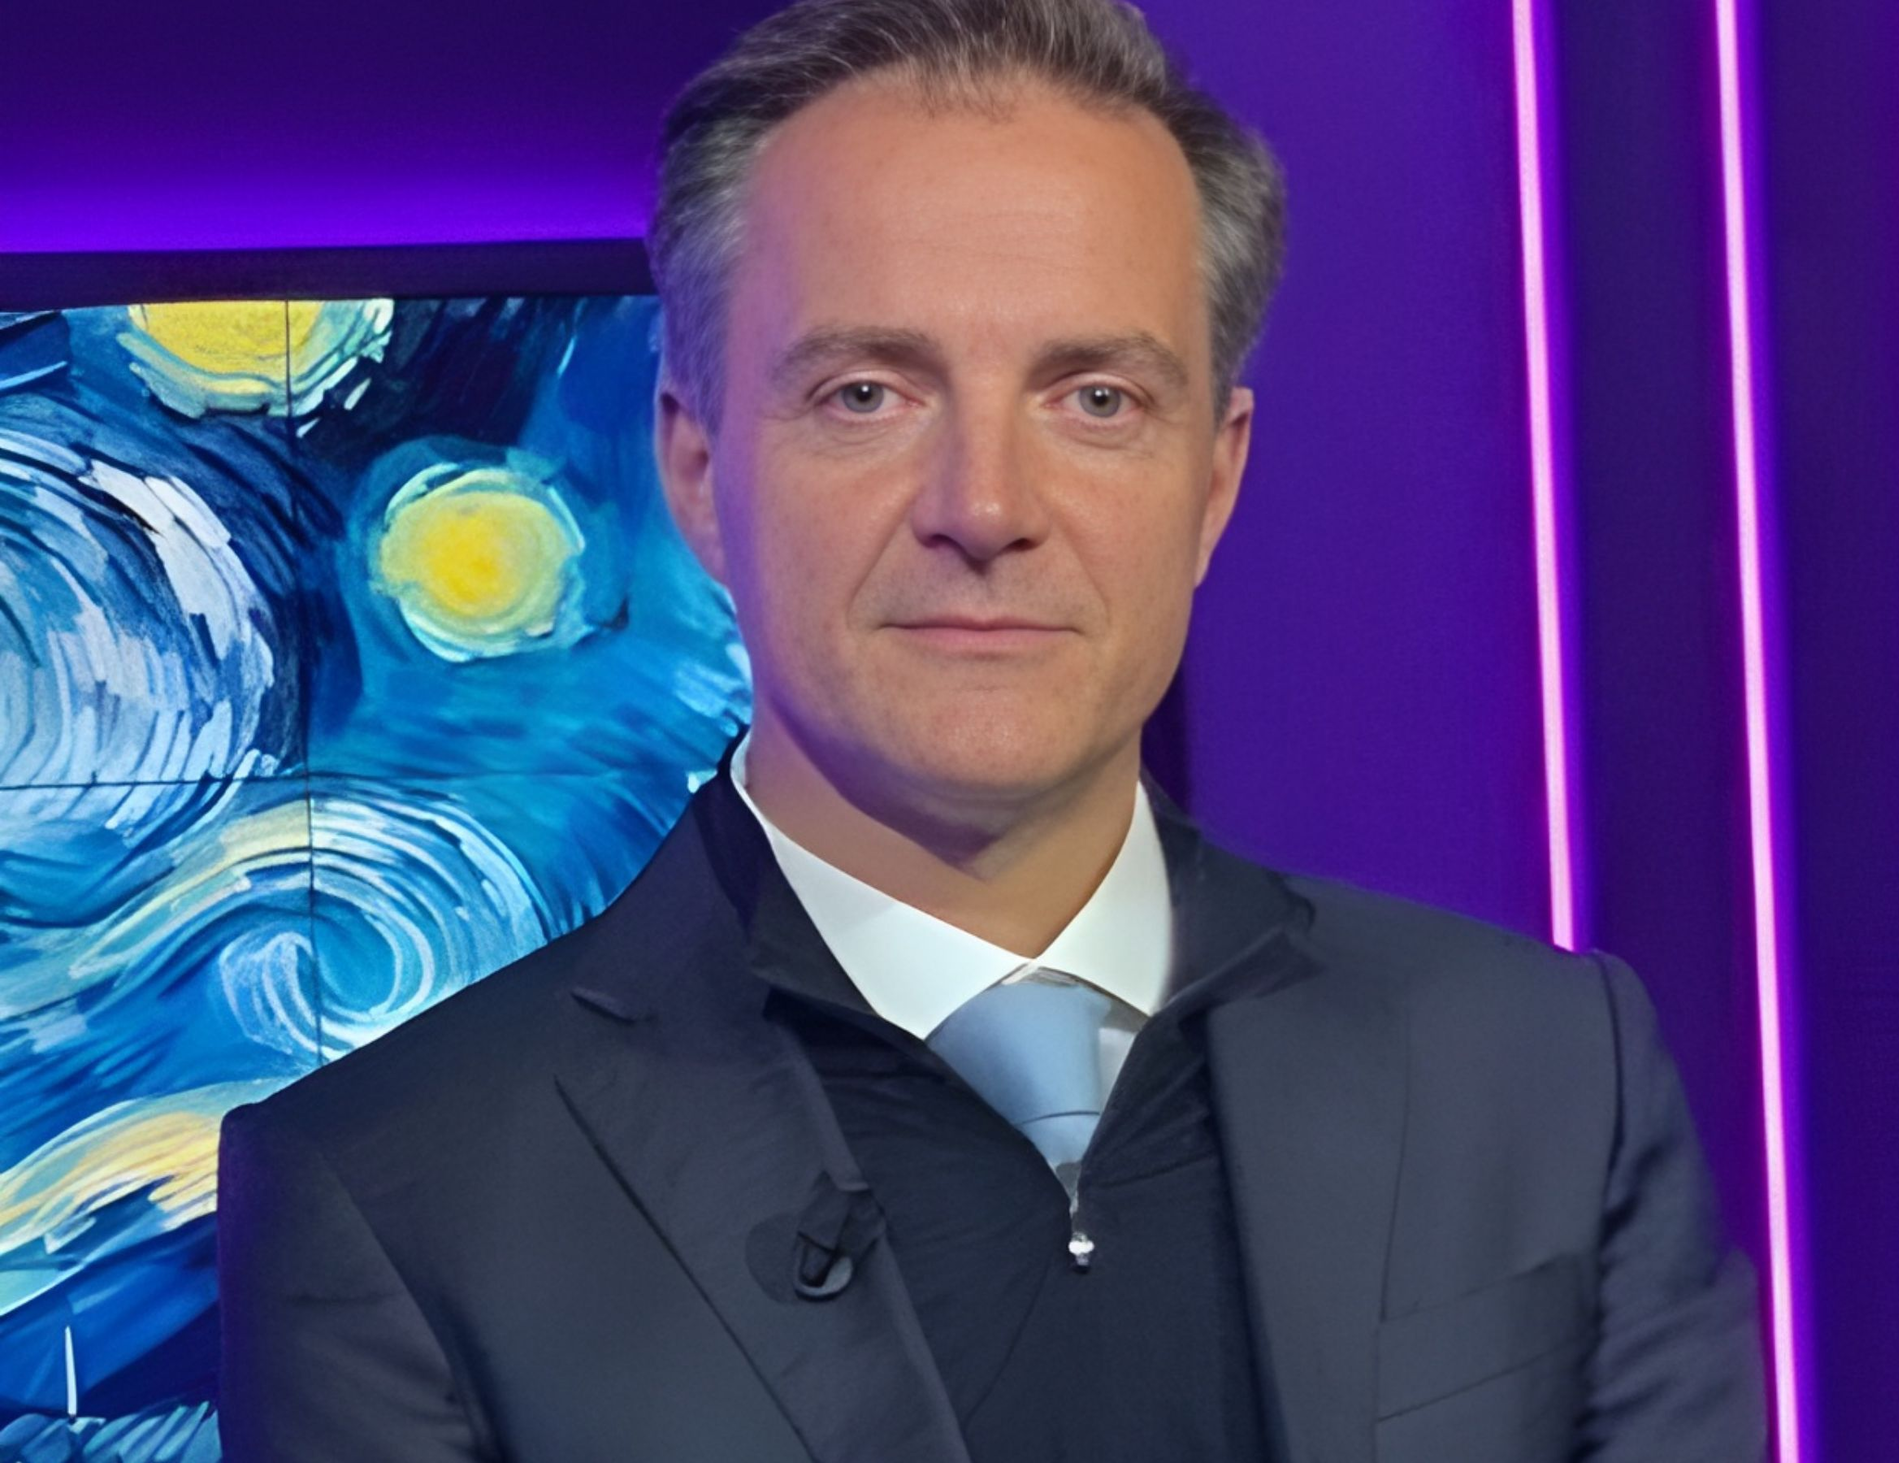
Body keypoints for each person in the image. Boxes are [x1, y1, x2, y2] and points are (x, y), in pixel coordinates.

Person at [215, 0, 1767, 1458]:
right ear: (696, 471)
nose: (985, 506)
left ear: (1212, 479)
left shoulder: (1550, 1075)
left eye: (1094, 399)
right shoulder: (402, 1188)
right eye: (866, 394)